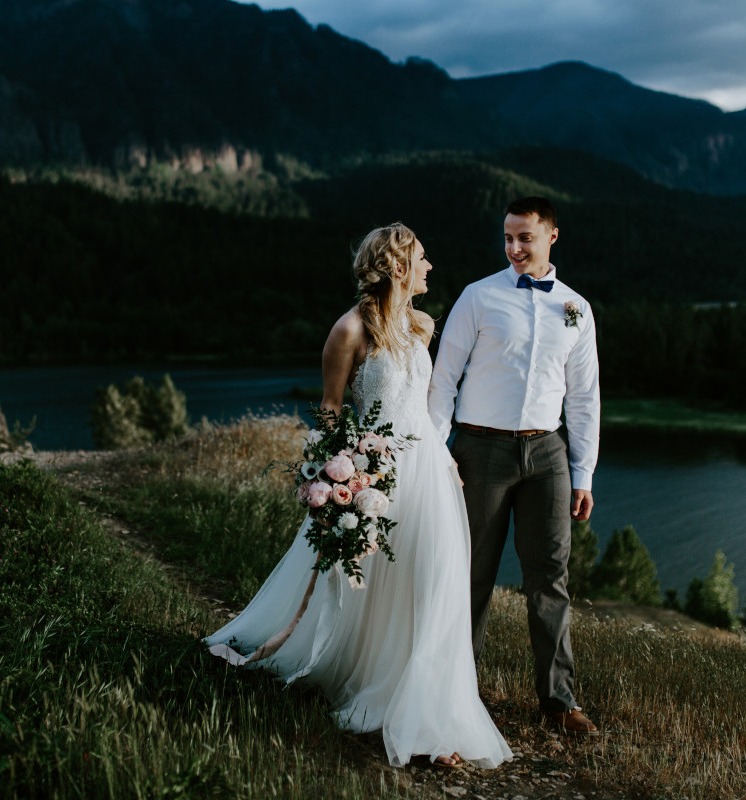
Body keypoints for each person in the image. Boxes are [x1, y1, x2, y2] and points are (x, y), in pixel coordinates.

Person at [205, 223, 513, 769]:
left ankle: (434, 711)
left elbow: (423, 407)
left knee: (435, 586)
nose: (430, 266)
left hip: (430, 473)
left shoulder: (419, 327)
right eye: (422, 257)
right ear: (397, 266)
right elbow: (329, 410)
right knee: (374, 590)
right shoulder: (349, 330)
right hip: (377, 477)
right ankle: (381, 688)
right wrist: (340, 474)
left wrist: (446, 460)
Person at [428, 197, 601, 736]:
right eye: (508, 237)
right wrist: (437, 457)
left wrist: (582, 473)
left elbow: (585, 398)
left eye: (525, 237)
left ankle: (559, 702)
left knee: (550, 577)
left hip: (547, 453)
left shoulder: (576, 308)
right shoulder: (478, 297)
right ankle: (457, 693)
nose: (514, 247)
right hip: (479, 450)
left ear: (552, 236)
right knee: (471, 573)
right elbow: (442, 381)